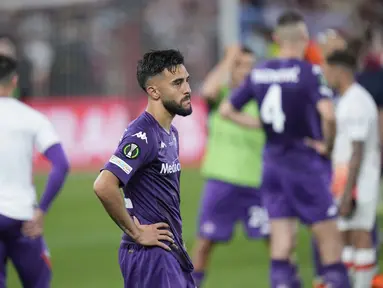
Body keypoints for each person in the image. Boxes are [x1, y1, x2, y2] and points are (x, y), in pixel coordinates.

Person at [219, 11, 351, 288]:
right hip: (303, 162)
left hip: (272, 165)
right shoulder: (309, 72)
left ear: (277, 39)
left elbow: (226, 110)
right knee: (329, 241)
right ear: (305, 38)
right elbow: (328, 115)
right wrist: (326, 145)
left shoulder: (260, 72)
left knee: (281, 243)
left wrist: (261, 124)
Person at [93, 49, 195, 288]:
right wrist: (137, 233)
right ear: (154, 91)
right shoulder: (143, 135)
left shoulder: (170, 133)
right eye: (177, 83)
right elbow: (104, 185)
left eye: (187, 80)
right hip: (150, 256)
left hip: (169, 250)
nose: (187, 89)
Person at [191, 45, 268, 287]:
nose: (245, 71)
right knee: (204, 244)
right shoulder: (221, 96)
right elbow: (207, 90)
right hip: (221, 182)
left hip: (257, 183)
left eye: (249, 66)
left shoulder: (264, 98)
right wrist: (228, 59)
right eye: (240, 65)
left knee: (280, 242)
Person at [0, 52, 69, 287]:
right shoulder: (31, 118)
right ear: (15, 80)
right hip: (23, 219)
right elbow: (61, 164)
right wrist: (42, 210)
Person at [312, 50, 380, 288]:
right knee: (347, 235)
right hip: (347, 177)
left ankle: (361, 284)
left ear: (340, 71)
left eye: (328, 71)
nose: (326, 77)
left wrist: (349, 192)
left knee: (360, 233)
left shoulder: (356, 102)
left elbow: (358, 150)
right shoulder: (347, 99)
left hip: (358, 180)